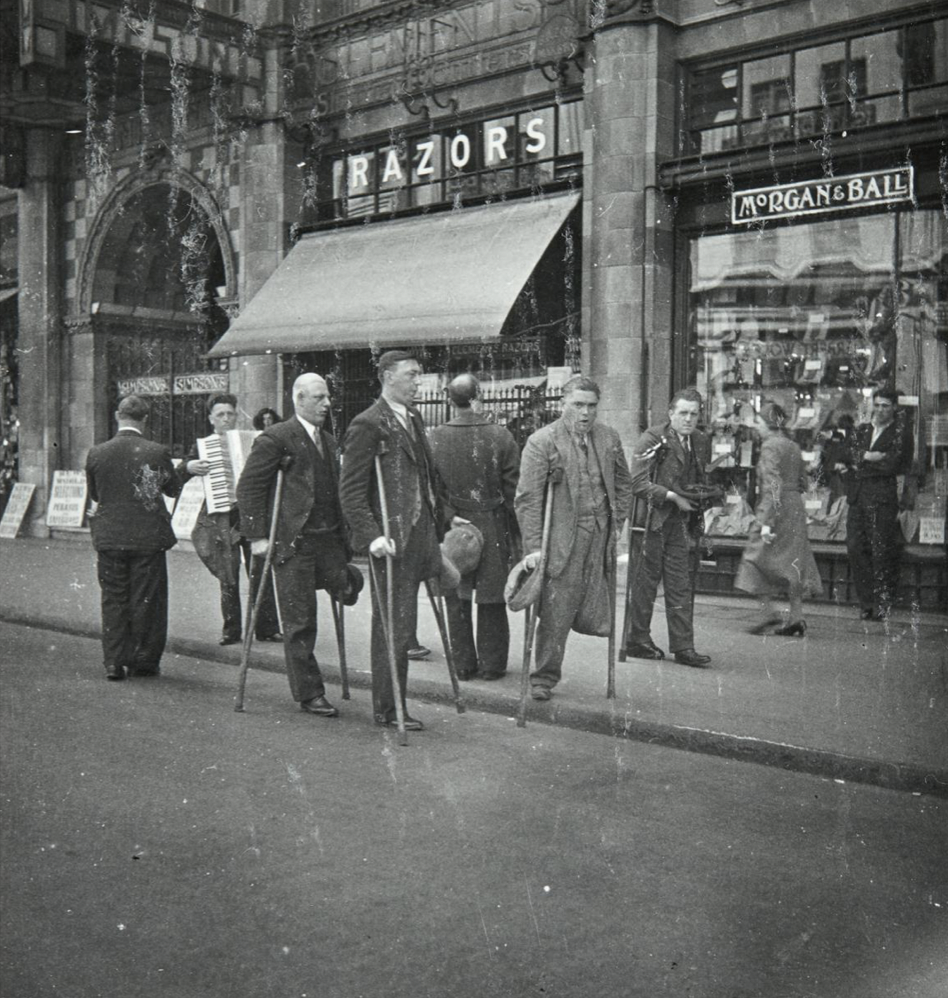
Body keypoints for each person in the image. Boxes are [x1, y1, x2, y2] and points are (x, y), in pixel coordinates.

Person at [237, 373, 356, 718]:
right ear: (299, 399)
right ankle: (309, 692)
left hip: (329, 541)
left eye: (327, 397)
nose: (327, 404)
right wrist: (257, 537)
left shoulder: (330, 442)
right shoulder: (276, 437)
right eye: (319, 398)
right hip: (294, 543)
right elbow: (249, 488)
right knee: (300, 620)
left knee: (348, 589)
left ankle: (347, 581)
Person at [339, 350, 447, 731]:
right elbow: (351, 492)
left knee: (411, 620)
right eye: (412, 375)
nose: (419, 382)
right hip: (392, 541)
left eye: (419, 375)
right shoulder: (367, 424)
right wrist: (371, 537)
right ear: (387, 377)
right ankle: (388, 708)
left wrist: (447, 517)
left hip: (422, 537)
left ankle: (394, 703)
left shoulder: (414, 418)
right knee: (393, 627)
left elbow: (427, 476)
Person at [515, 375, 632, 700]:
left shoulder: (608, 438)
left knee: (597, 603)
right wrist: (534, 548)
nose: (585, 413)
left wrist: (616, 522)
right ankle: (543, 678)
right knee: (557, 610)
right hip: (562, 541)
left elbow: (624, 484)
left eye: (591, 406)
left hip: (600, 537)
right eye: (577, 405)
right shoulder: (543, 441)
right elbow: (528, 499)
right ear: (562, 404)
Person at [429, 374, 520, 680]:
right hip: (492, 521)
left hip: (456, 522)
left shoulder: (437, 437)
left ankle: (462, 663)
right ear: (478, 397)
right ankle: (492, 665)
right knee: (492, 596)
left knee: (456, 592)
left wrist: (449, 514)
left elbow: (432, 488)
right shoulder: (501, 436)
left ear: (450, 400)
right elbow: (513, 491)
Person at [85, 395, 181, 681]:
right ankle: (144, 660)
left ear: (117, 415)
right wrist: (184, 470)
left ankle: (114, 662)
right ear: (145, 419)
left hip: (110, 536)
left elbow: (95, 495)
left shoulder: (97, 453)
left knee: (113, 599)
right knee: (147, 600)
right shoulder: (156, 451)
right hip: (147, 539)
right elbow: (172, 490)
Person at [182, 394, 280, 646]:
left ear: (236, 415)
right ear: (211, 419)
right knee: (228, 573)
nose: (226, 419)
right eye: (220, 415)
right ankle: (231, 629)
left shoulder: (252, 441)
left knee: (260, 568)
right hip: (221, 516)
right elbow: (183, 470)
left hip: (249, 513)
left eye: (230, 414)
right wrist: (189, 466)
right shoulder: (204, 445)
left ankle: (267, 627)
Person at [624, 387, 713, 668]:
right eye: (683, 413)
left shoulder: (699, 441)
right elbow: (636, 483)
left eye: (694, 414)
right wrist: (673, 496)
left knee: (679, 583)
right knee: (645, 584)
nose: (688, 419)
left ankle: (684, 647)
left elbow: (699, 476)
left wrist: (703, 496)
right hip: (650, 520)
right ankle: (637, 639)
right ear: (671, 413)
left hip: (679, 522)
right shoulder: (652, 439)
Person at [734, 403, 823, 636]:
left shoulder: (770, 446)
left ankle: (768, 614)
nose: (757, 427)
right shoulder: (793, 446)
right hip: (794, 507)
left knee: (754, 558)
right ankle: (796, 617)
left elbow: (773, 484)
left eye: (759, 422)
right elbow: (804, 482)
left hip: (774, 507)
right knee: (792, 563)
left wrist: (766, 521)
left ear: (769, 425)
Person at [844, 388, 914, 620]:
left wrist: (861, 460)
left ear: (894, 407)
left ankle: (881, 605)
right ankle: (867, 602)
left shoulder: (901, 433)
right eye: (878, 405)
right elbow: (846, 454)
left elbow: (892, 465)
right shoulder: (863, 429)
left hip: (882, 497)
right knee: (855, 547)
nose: (881, 409)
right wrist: (868, 456)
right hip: (858, 496)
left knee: (880, 550)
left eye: (886, 405)